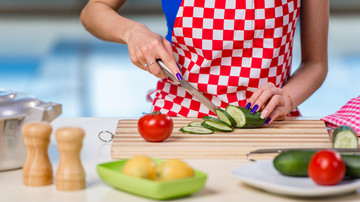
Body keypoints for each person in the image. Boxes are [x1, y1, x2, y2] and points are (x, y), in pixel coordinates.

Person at [80, 0, 329, 124]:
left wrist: (287, 96)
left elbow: (315, 63)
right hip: (178, 120)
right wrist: (132, 32)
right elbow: (94, 10)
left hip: (269, 122)